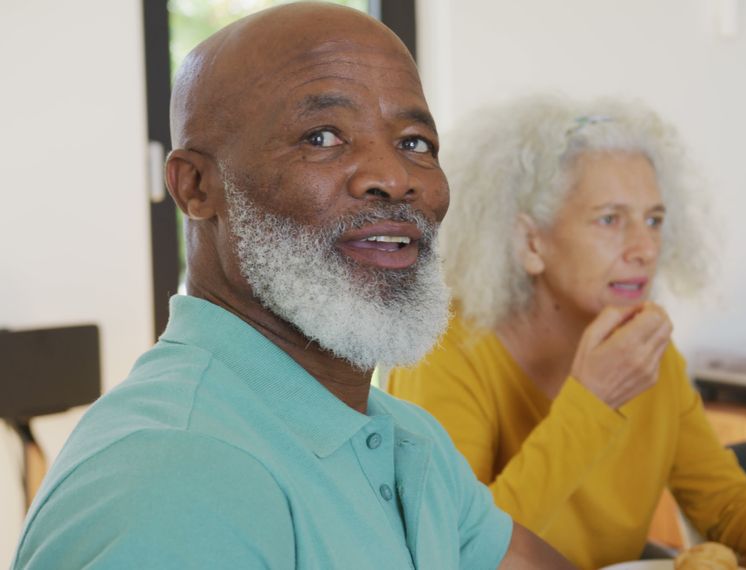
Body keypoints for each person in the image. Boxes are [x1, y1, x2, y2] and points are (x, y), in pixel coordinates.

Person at [12, 4, 572, 569]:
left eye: (415, 143)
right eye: (323, 137)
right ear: (196, 187)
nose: (394, 177)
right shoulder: (178, 471)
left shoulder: (406, 439)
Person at [387, 96, 746, 569]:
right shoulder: (446, 350)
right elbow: (462, 552)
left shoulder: (647, 351)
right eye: (610, 219)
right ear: (531, 242)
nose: (645, 248)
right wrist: (593, 402)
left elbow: (729, 508)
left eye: (654, 220)